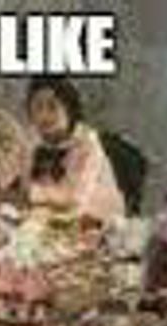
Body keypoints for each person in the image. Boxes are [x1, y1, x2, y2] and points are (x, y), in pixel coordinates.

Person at [23, 76, 126, 224]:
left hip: (91, 219)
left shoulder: (86, 143)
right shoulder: (33, 139)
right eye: (38, 108)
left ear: (70, 110)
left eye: (52, 107)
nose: (44, 116)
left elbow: (76, 199)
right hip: (44, 217)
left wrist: (33, 193)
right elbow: (21, 183)